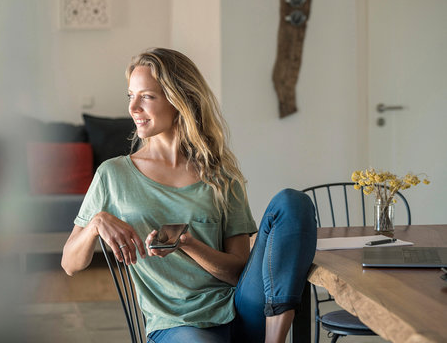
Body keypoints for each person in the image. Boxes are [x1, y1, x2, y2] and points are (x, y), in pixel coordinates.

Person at [61, 47, 317, 343]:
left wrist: (189, 245)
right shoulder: (113, 174)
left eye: (147, 96)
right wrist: (96, 223)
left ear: (179, 99)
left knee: (292, 202)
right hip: (178, 325)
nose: (133, 108)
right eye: (131, 96)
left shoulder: (220, 174)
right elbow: (69, 264)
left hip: (244, 310)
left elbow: (238, 273)